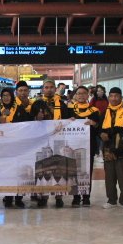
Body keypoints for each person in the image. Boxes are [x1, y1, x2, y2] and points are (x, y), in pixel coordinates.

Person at [37, 79, 72, 208]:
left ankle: (59, 196)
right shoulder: (37, 103)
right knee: (44, 167)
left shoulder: (62, 104)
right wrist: (36, 118)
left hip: (58, 137)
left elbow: (68, 119)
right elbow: (30, 121)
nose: (49, 89)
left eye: (51, 87)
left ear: (55, 89)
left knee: (58, 167)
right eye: (46, 87)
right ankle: (43, 196)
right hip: (42, 138)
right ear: (43, 89)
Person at [100, 87, 123, 210]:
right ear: (108, 97)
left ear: (121, 97)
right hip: (108, 149)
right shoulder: (105, 112)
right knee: (109, 177)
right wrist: (101, 134)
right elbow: (100, 129)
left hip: (122, 149)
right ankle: (111, 200)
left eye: (116, 96)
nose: (114, 98)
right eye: (111, 96)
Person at [0, 85, 31, 208]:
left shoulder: (20, 109)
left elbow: (27, 124)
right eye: (4, 96)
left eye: (8, 95)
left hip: (18, 145)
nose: (6, 98)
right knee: (8, 173)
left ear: (12, 96)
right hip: (4, 146)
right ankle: (8, 197)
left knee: (20, 172)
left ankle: (19, 198)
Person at [69, 85, 101, 207]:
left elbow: (99, 128)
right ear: (75, 96)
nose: (81, 95)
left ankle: (86, 197)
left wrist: (94, 123)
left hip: (89, 145)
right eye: (79, 93)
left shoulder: (94, 111)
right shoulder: (69, 109)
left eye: (83, 93)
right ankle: (76, 197)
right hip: (73, 145)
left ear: (88, 95)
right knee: (74, 171)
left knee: (87, 171)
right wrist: (68, 121)